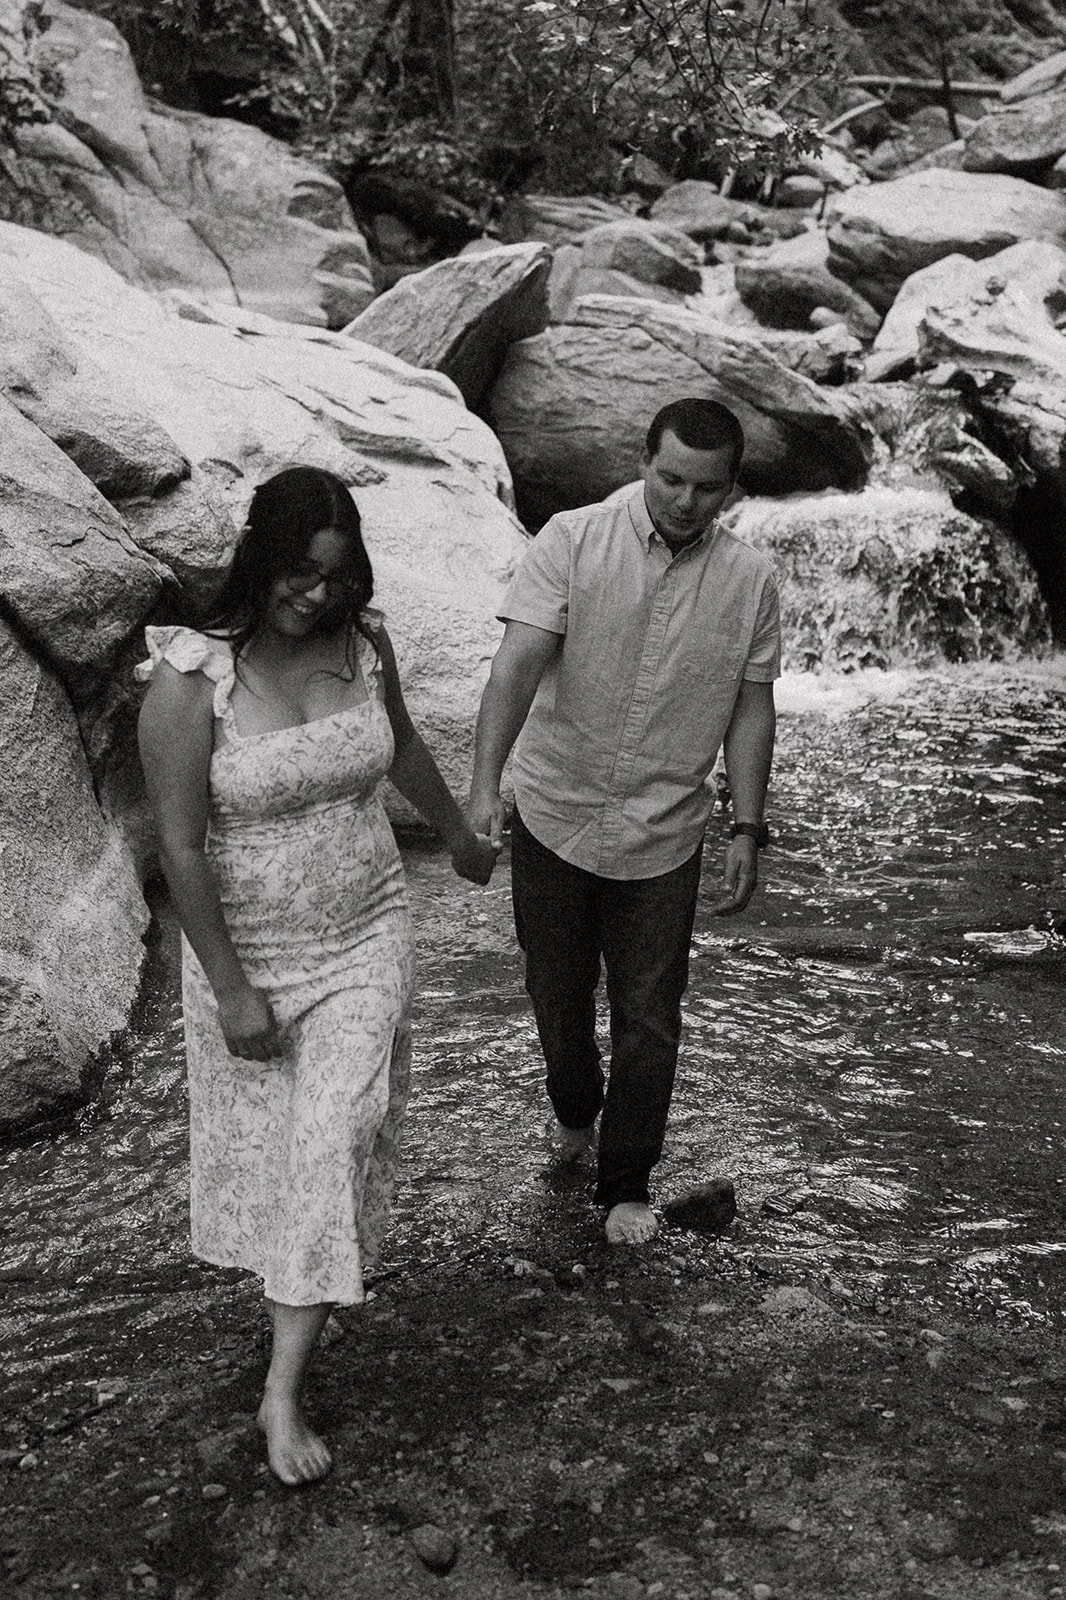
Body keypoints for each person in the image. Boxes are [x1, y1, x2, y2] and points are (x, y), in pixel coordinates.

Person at [136, 466, 496, 1486]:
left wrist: (459, 836)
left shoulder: (363, 643)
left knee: (337, 1128)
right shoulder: (190, 679)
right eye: (299, 572)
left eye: (335, 576)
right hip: (248, 952)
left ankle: (281, 1389)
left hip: (368, 929)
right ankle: (300, 1295)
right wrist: (231, 988)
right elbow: (179, 847)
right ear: (259, 558)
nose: (316, 594)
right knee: (284, 1153)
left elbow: (402, 747)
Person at [467, 398, 780, 1247]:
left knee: (650, 1016)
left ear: (730, 489)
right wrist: (483, 787)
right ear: (643, 460)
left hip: (665, 830)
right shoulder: (571, 540)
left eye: (706, 488)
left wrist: (747, 827)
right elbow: (515, 667)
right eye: (670, 478)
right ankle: (576, 1108)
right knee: (556, 997)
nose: (684, 500)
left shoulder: (752, 579)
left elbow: (752, 707)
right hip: (555, 812)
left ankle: (626, 1183)